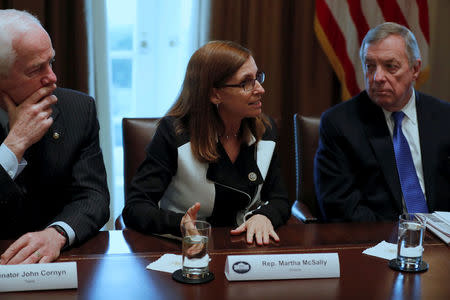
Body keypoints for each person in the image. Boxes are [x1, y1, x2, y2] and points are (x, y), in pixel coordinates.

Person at [123, 41, 290, 245]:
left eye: (258, 78)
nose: (260, 89)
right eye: (246, 82)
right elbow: (135, 207)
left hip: (245, 245)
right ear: (214, 94)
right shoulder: (174, 135)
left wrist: (265, 216)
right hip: (186, 247)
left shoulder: (264, 129)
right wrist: (178, 223)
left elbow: (280, 198)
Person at [0, 9, 109, 264]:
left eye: (51, 61)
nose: (52, 77)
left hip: (60, 261)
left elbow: (93, 196)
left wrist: (57, 233)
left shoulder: (78, 109)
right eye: (35, 69)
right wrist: (14, 145)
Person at [314, 22, 450, 222]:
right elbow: (340, 207)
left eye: (390, 67)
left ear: (415, 69)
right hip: (377, 242)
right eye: (370, 66)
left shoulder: (443, 117)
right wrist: (401, 237)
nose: (377, 77)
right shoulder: (339, 124)